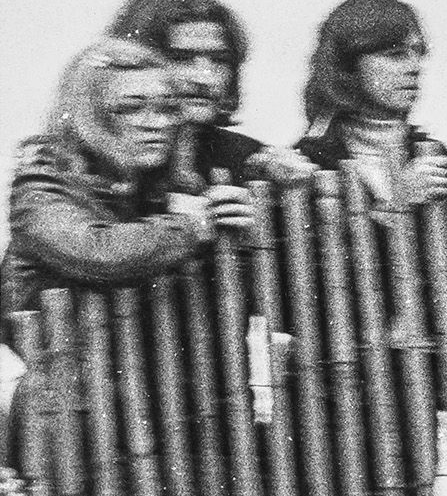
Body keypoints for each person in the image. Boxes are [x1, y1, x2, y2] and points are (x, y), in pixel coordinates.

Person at [2, 37, 257, 334]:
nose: (155, 123)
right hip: (62, 371)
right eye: (131, 109)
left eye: (167, 109)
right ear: (90, 117)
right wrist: (194, 226)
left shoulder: (161, 185)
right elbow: (94, 250)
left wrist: (239, 237)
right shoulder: (39, 184)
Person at [108, 0, 315, 186]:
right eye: (181, 58)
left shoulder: (248, 159)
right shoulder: (98, 161)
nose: (204, 78)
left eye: (219, 60)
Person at [295, 0, 447, 206]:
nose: (415, 67)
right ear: (348, 65)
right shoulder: (311, 161)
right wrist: (399, 203)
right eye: (395, 54)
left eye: (418, 53)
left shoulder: (434, 154)